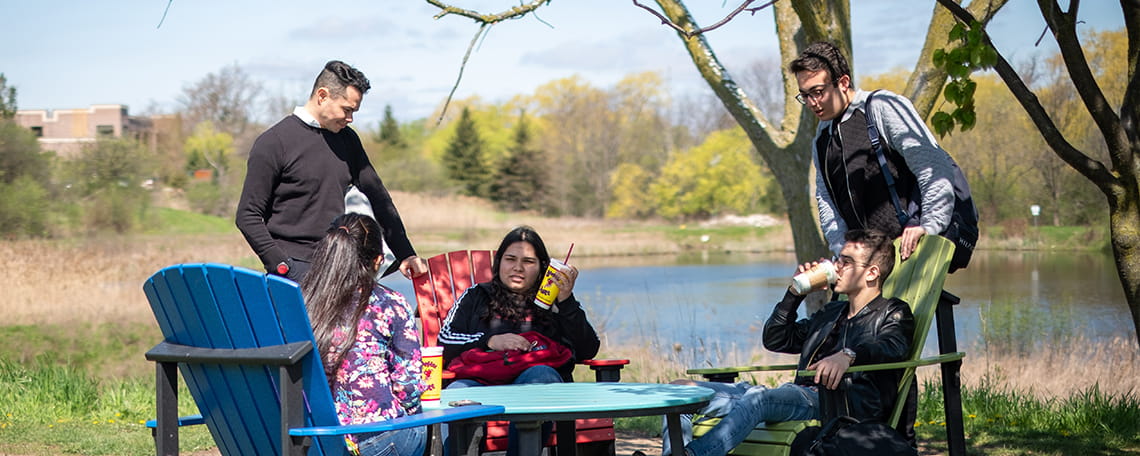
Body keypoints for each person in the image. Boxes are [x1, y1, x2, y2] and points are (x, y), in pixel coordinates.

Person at [659, 229, 915, 456]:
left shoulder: (894, 312)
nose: (836, 266)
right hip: (795, 396)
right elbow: (776, 340)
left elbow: (891, 346)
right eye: (838, 258)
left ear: (871, 273)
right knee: (680, 391)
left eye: (846, 262)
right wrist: (794, 293)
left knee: (760, 397)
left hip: (834, 404)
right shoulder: (831, 313)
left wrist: (848, 355)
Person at [236, 59, 427, 282]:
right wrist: (282, 266)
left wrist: (406, 253)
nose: (350, 118)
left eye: (354, 111)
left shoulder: (348, 140)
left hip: (338, 266)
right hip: (293, 271)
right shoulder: (274, 142)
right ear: (323, 95)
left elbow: (379, 199)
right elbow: (247, 216)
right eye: (346, 110)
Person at [438, 225, 600, 455]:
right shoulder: (477, 296)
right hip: (480, 381)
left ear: (542, 267)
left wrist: (566, 302)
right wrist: (490, 341)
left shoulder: (553, 304)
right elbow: (444, 341)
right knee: (456, 393)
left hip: (533, 382)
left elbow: (587, 350)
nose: (517, 268)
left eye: (528, 261)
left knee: (542, 376)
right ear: (499, 262)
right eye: (510, 259)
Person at [790, 41, 958, 262]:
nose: (812, 102)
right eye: (805, 95)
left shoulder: (880, 108)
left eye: (818, 92)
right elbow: (826, 199)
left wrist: (929, 227)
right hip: (863, 265)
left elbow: (933, 167)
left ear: (843, 82)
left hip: (910, 253)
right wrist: (842, 250)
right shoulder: (822, 137)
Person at [300, 213, 426, 456]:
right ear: (377, 261)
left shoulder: (302, 302)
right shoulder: (390, 303)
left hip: (316, 440)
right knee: (424, 425)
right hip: (376, 440)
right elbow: (407, 386)